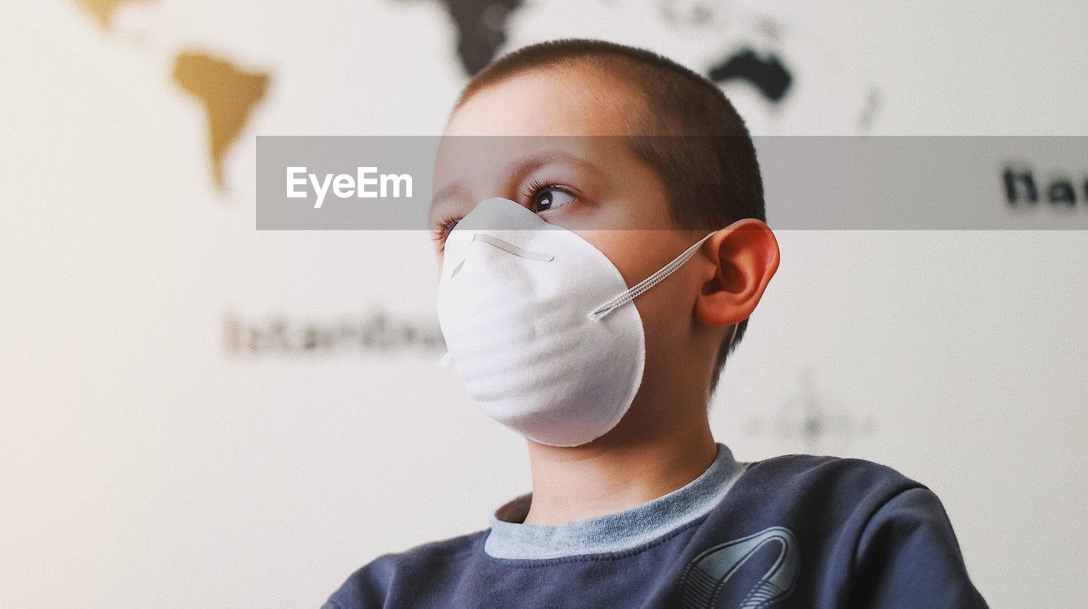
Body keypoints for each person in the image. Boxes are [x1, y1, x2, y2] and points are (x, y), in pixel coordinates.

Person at [324, 39, 987, 608]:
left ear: (726, 274)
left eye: (547, 196)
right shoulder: (389, 595)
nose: (486, 248)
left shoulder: (848, 526)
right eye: (455, 226)